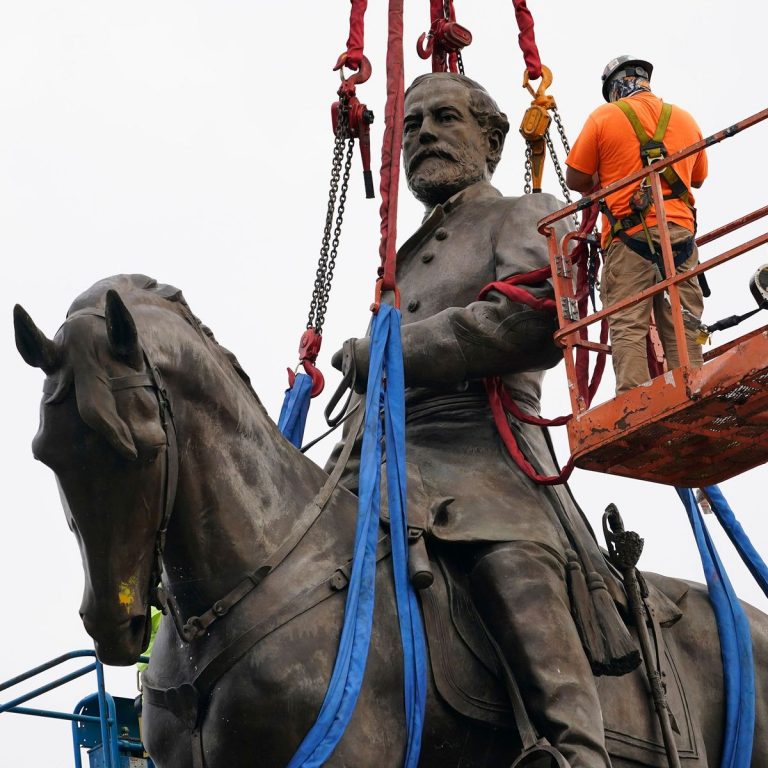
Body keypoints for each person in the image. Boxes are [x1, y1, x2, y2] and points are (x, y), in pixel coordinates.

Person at [328, 72, 642, 767]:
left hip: (486, 455)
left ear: (494, 139)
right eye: (410, 126)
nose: (424, 136)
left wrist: (389, 349)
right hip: (384, 460)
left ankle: (573, 748)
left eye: (444, 119)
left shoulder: (525, 212)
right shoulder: (403, 258)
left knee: (510, 568)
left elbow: (530, 319)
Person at [566, 55, 708, 394]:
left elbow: (576, 177)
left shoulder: (604, 117)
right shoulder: (685, 119)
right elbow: (698, 178)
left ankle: (635, 401)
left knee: (629, 323)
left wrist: (608, 177)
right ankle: (694, 389)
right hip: (681, 238)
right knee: (683, 322)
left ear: (615, 88)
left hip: (628, 240)